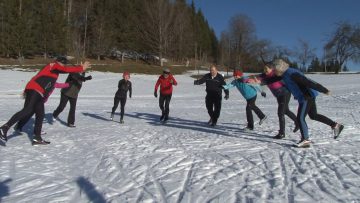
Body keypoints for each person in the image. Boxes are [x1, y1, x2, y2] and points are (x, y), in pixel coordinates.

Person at [0, 56, 91, 145]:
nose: (63, 65)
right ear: (59, 62)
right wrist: (81, 67)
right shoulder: (53, 65)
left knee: (40, 114)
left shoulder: (54, 73)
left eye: (64, 64)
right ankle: (4, 128)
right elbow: (66, 70)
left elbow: (38, 77)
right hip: (35, 89)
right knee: (27, 109)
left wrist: (79, 71)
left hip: (39, 93)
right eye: (63, 63)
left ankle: (37, 138)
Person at [272, 59, 344, 147]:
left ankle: (305, 140)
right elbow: (271, 79)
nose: (274, 72)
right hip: (307, 96)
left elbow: (308, 82)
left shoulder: (291, 73)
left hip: (306, 96)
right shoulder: (284, 74)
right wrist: (258, 81)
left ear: (279, 68)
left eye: (274, 70)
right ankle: (336, 125)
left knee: (300, 118)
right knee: (313, 115)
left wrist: (323, 90)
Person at [254, 62, 299, 139]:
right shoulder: (265, 76)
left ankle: (282, 133)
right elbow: (261, 81)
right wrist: (261, 87)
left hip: (285, 93)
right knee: (286, 110)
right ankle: (297, 122)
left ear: (271, 69)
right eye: (264, 69)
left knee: (280, 112)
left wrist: (296, 94)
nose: (265, 70)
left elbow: (288, 83)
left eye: (266, 69)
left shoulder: (276, 75)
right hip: (278, 95)